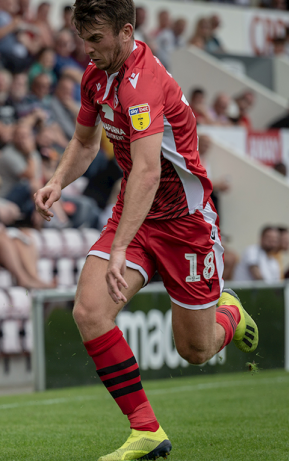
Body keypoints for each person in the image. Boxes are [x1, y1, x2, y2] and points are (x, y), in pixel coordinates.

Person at [33, 1, 259, 459]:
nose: (88, 50)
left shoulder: (142, 85)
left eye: (96, 39)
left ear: (126, 31)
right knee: (90, 311)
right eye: (83, 39)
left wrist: (117, 249)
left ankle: (230, 314)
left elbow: (148, 172)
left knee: (194, 351)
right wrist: (57, 180)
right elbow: (83, 140)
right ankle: (147, 430)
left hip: (185, 223)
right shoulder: (96, 76)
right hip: (136, 215)